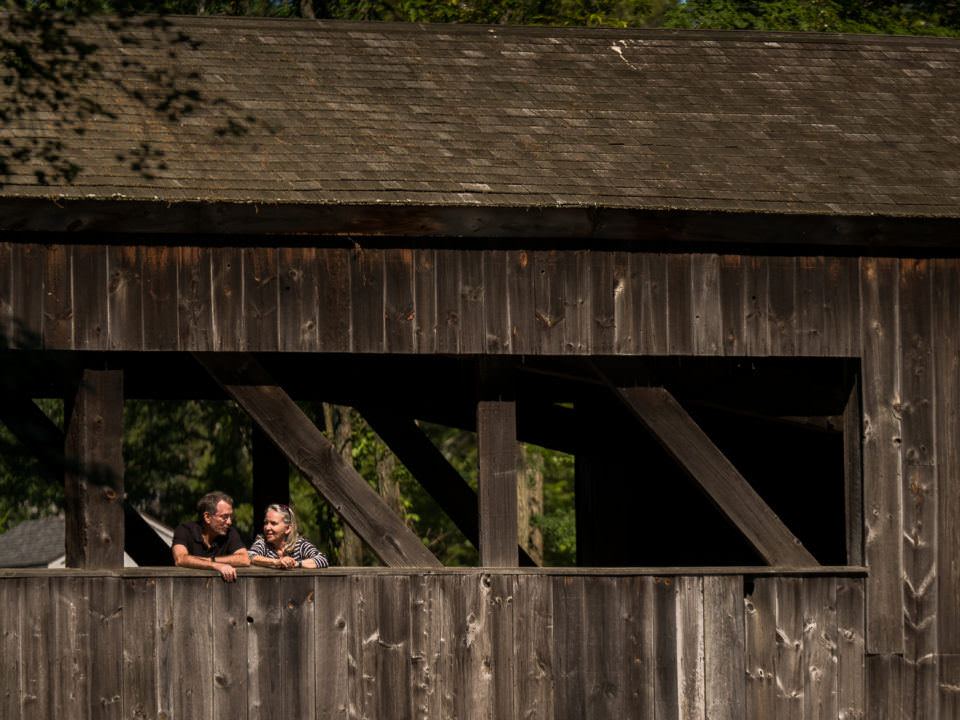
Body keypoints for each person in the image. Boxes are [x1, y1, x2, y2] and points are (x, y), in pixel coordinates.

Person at [172, 490, 250, 582]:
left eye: (230, 517)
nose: (229, 522)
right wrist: (216, 566)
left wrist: (211, 560)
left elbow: (245, 559)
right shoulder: (184, 530)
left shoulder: (230, 532)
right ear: (207, 517)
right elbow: (180, 559)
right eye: (224, 517)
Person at [248, 503, 329, 569]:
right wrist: (276, 562)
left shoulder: (300, 545)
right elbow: (250, 556)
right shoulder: (262, 543)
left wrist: (295, 563)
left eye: (273, 523)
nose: (267, 527)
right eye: (266, 523)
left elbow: (322, 559)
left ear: (287, 528)